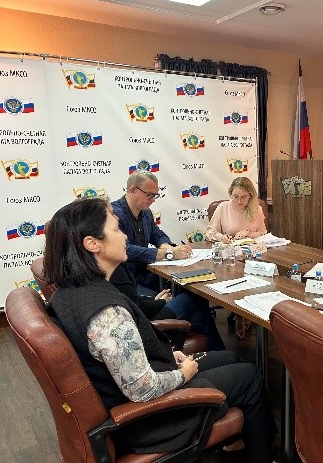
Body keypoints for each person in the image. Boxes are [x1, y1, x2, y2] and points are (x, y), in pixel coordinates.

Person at [43, 198, 275, 462]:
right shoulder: (108, 314)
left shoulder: (71, 290)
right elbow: (143, 390)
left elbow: (120, 358)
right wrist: (183, 374)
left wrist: (167, 354)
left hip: (136, 390)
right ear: (92, 243)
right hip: (149, 419)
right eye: (117, 230)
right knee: (249, 376)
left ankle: (236, 445)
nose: (125, 236)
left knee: (230, 358)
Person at [110, 262, 226, 351]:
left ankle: (221, 356)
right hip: (145, 324)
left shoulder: (110, 267)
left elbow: (133, 299)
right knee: (194, 298)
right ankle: (222, 355)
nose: (125, 239)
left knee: (200, 316)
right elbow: (139, 307)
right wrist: (162, 301)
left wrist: (154, 300)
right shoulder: (114, 271)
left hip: (140, 316)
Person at [111, 170, 193, 292]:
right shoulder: (113, 214)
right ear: (133, 190)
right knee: (172, 297)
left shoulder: (146, 212)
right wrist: (167, 253)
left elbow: (157, 234)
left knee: (186, 289)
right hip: (125, 279)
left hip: (146, 272)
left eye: (155, 195)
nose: (153, 200)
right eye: (149, 195)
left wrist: (165, 245)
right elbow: (125, 249)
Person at [206, 177, 267, 339]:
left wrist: (248, 233)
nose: (239, 201)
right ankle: (241, 313)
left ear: (250, 196)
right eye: (235, 197)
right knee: (238, 274)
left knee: (258, 274)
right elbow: (210, 233)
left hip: (252, 253)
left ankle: (250, 311)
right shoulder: (223, 208)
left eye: (243, 197)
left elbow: (263, 234)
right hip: (230, 256)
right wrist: (222, 237)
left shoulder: (257, 209)